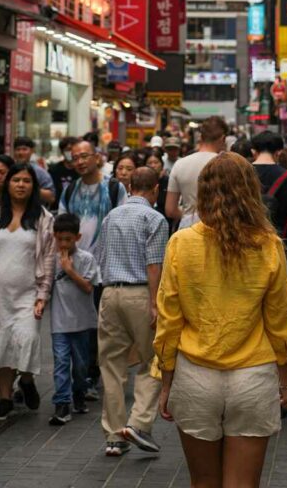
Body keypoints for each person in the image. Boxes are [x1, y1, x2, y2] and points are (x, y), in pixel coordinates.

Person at [155, 153, 287, 488]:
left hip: (194, 373)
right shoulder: (268, 245)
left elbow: (168, 320)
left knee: (203, 482)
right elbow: (280, 319)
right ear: (251, 192)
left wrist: (165, 381)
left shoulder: (181, 243)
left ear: (203, 192)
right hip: (253, 376)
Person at [0, 162, 54, 421]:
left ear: (34, 186)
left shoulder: (43, 218)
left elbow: (49, 258)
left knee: (25, 338)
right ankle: (5, 398)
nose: (20, 185)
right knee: (1, 344)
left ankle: (26, 379)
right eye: (16, 180)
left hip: (28, 294)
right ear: (8, 183)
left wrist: (43, 295)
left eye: (26, 181)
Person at [96, 167, 168, 458]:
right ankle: (138, 424)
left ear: (129, 187)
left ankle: (114, 436)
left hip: (110, 292)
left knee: (111, 366)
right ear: (155, 189)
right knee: (153, 361)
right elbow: (154, 265)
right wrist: (155, 302)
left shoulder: (111, 215)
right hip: (140, 293)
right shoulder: (155, 218)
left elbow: (101, 256)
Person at [58, 141, 126, 394]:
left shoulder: (114, 187)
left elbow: (123, 222)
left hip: (105, 269)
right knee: (81, 323)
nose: (79, 161)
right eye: (75, 157)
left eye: (84, 155)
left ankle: (93, 372)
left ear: (97, 157)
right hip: (76, 268)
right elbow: (62, 225)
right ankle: (84, 374)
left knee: (100, 323)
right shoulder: (70, 190)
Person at [48, 213, 100, 426]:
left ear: (77, 237)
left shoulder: (86, 259)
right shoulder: (51, 259)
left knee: (80, 365)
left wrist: (69, 270)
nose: (64, 244)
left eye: (68, 239)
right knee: (61, 362)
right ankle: (62, 403)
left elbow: (89, 287)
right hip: (59, 322)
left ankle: (79, 391)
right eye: (60, 239)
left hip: (82, 322)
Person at [251, 131, 287, 267]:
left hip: (246, 248)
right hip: (279, 250)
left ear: (254, 151)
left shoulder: (240, 174)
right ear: (278, 153)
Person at [165, 116, 228, 228]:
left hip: (187, 230)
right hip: (219, 230)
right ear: (223, 138)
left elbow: (170, 210)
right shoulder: (227, 165)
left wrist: (189, 217)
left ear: (201, 137)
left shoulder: (180, 164)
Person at [12, 136, 56, 206]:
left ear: (32, 151)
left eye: (24, 149)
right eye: (18, 149)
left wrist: (31, 189)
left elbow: (51, 197)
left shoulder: (40, 172)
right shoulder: (9, 169)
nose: (21, 153)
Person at [49, 135, 79, 204]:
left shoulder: (82, 169)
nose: (70, 152)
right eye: (67, 150)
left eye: (72, 149)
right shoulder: (54, 170)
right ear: (62, 151)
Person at [145, 149, 171, 227]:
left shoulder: (168, 182)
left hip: (165, 223)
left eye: (156, 162)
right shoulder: (142, 182)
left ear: (162, 164)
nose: (153, 165)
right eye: (150, 163)